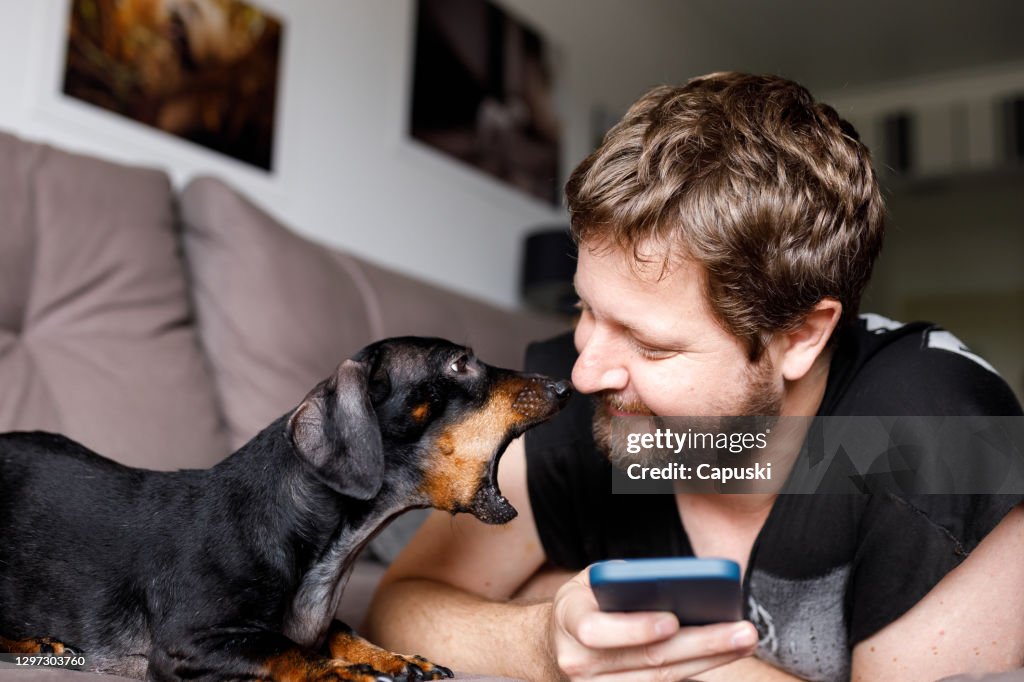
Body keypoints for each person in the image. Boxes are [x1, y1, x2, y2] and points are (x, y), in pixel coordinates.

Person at [365, 72, 1024, 681]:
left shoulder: (946, 438)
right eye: (586, 309)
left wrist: (677, 659)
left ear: (800, 336)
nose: (587, 371)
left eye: (653, 346)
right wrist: (540, 637)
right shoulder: (591, 403)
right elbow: (399, 607)